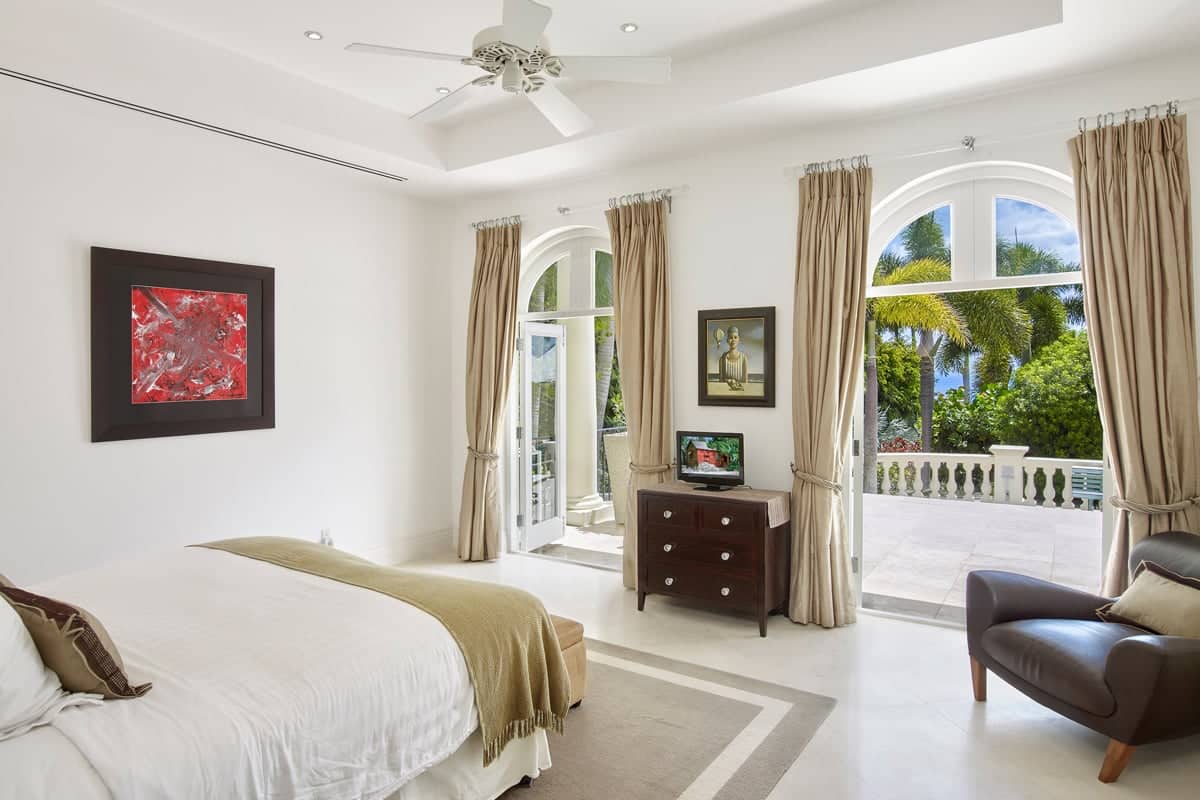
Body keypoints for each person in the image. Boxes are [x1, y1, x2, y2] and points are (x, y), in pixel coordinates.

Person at [718, 326, 748, 390]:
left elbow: (745, 382)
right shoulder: (722, 359)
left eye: (735, 337)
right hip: (726, 391)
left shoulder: (743, 358)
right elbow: (721, 381)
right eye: (730, 338)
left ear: (738, 339)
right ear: (727, 340)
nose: (733, 340)